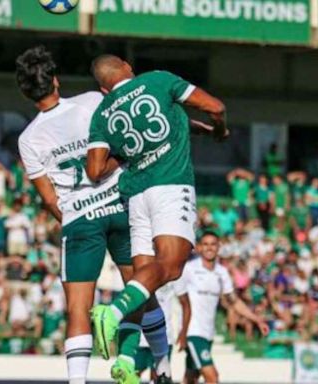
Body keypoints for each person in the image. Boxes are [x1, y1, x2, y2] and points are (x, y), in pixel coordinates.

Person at [16, 46, 164, 384]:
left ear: (25, 92)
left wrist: (75, 216)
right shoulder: (91, 102)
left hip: (80, 217)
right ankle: (152, 362)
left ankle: (78, 381)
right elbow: (124, 145)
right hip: (121, 204)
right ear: (55, 81)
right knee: (139, 287)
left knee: (77, 308)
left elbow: (49, 198)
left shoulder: (28, 139)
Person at [85, 54, 228, 377]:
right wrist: (219, 129)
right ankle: (113, 311)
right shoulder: (158, 79)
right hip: (170, 185)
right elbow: (215, 107)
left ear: (104, 88)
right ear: (126, 66)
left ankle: (126, 359)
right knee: (173, 266)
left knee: (145, 278)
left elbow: (94, 170)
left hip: (136, 196)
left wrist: (123, 155)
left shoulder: (103, 112)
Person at [175, 232, 269, 383]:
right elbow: (179, 296)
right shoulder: (189, 269)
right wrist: (182, 331)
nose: (209, 248)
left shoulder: (222, 272)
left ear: (219, 247)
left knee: (191, 377)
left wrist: (257, 319)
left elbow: (234, 301)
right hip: (193, 332)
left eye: (213, 244)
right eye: (205, 244)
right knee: (212, 377)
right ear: (199, 248)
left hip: (208, 333)